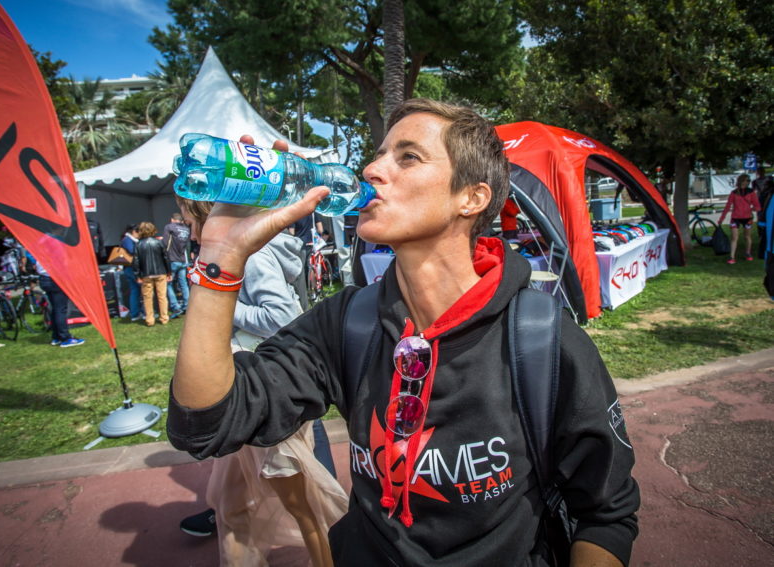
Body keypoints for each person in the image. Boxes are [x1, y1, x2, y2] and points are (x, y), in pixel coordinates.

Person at [167, 99, 639, 566]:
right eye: (378, 155)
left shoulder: (541, 340)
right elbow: (205, 424)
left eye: (408, 157)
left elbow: (605, 514)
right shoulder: (348, 324)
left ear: (471, 198)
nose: (372, 169)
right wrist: (222, 257)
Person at [176, 198, 348, 567]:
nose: (190, 234)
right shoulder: (238, 254)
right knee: (230, 501)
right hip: (245, 391)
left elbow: (282, 316)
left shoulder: (253, 257)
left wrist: (216, 296)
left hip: (265, 394)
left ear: (209, 215)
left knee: (306, 507)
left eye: (191, 223)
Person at [36, 261, 84, 348]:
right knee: (60, 309)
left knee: (55, 308)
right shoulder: (56, 253)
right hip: (55, 278)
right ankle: (65, 338)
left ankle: (56, 336)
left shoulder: (42, 252)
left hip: (44, 278)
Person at [132, 222, 171, 326]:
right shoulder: (159, 242)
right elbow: (166, 258)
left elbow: (136, 261)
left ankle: (150, 320)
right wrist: (169, 272)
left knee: (147, 298)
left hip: (146, 274)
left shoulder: (138, 244)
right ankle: (164, 318)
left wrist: (137, 275)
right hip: (161, 273)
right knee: (162, 296)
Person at [717, 173, 762, 264]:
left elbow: (758, 206)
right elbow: (727, 206)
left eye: (748, 181)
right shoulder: (734, 193)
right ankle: (732, 256)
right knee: (734, 237)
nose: (747, 182)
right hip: (735, 217)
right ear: (741, 181)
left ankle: (748, 253)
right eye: (746, 180)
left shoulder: (751, 192)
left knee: (747, 236)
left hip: (747, 218)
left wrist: (751, 209)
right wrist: (722, 218)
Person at [162, 212, 190, 316]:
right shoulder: (186, 229)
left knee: (168, 283)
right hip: (183, 259)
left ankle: (175, 307)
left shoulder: (169, 227)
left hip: (172, 259)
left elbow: (165, 243)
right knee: (183, 283)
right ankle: (187, 305)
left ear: (172, 219)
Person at [120, 225, 143, 321]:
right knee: (142, 289)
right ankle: (143, 312)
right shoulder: (127, 240)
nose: (140, 234)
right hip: (131, 268)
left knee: (135, 291)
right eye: (139, 232)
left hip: (129, 268)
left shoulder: (126, 239)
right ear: (134, 231)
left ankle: (135, 314)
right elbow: (131, 250)